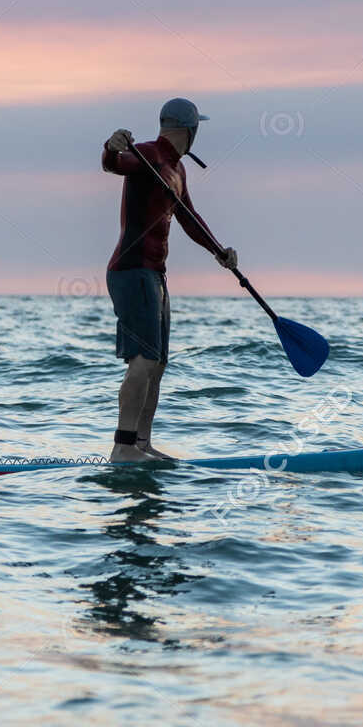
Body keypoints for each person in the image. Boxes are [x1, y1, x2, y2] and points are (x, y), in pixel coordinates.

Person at [101, 97, 237, 462]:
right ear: (189, 130)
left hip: (157, 276)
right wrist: (110, 146)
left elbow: (190, 218)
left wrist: (219, 251)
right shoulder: (145, 155)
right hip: (132, 271)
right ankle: (123, 446)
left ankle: (142, 444)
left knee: (158, 364)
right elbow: (115, 164)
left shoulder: (177, 170)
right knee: (143, 361)